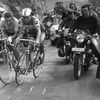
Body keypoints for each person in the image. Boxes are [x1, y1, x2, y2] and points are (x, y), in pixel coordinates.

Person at [69, 4, 100, 78]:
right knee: (70, 44)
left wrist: (96, 33)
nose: (84, 12)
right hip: (80, 36)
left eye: (85, 10)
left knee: (96, 48)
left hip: (90, 36)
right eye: (82, 11)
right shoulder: (79, 19)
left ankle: (96, 59)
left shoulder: (94, 19)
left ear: (89, 11)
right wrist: (70, 31)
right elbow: (73, 25)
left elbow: (98, 27)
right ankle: (69, 56)